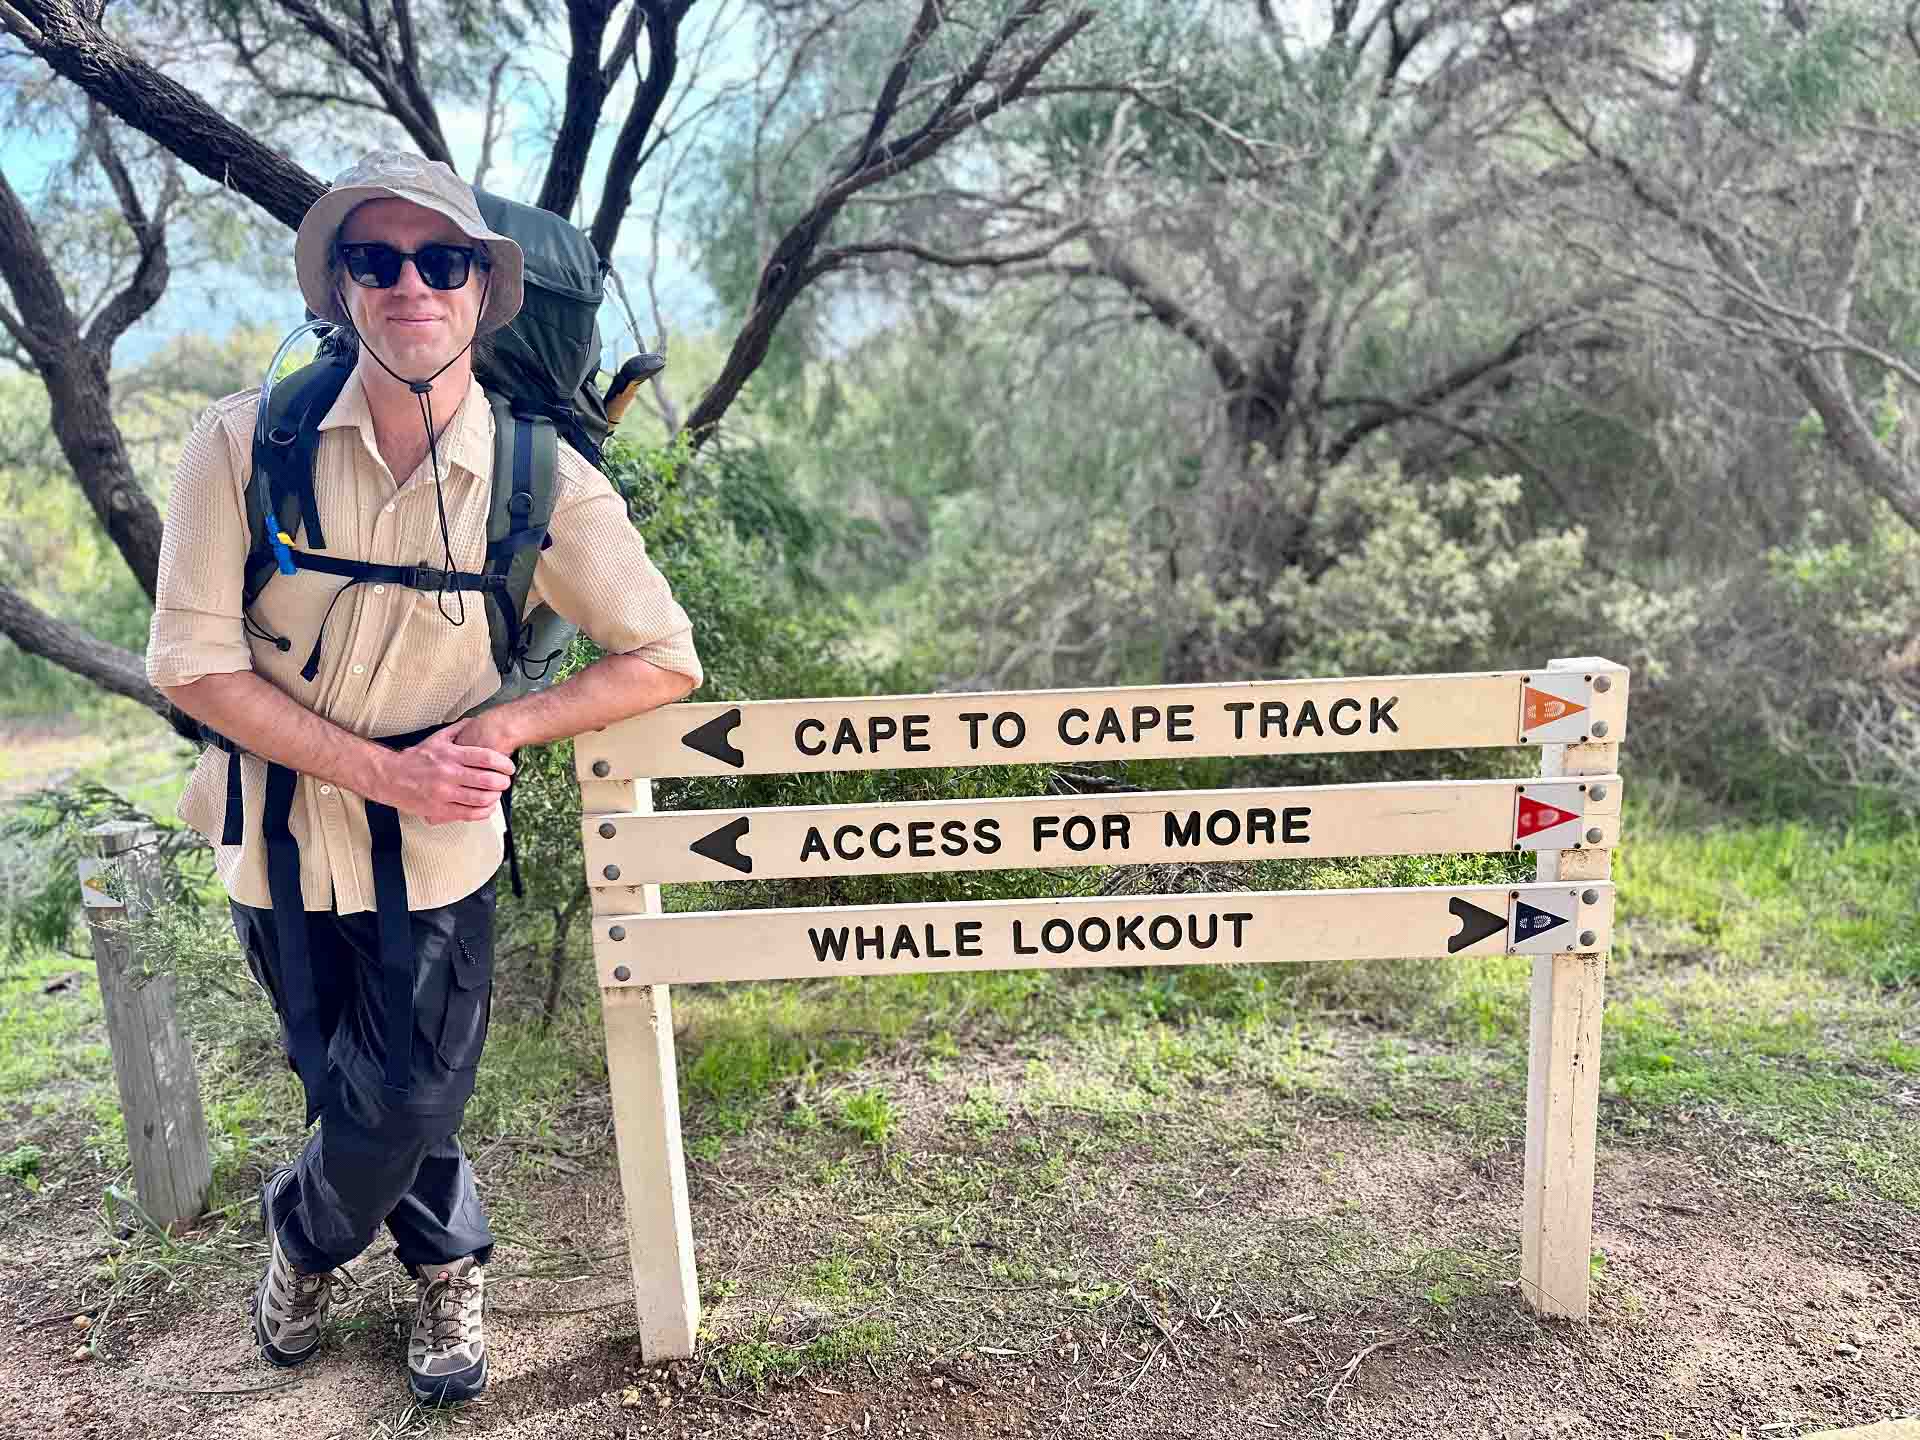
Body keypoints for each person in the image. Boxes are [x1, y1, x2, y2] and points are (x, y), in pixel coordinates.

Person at [146, 151, 703, 1405]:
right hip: (275, 844)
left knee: (405, 1089)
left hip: (442, 853)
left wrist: (506, 733)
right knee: (346, 1079)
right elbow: (189, 664)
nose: (409, 284)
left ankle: (307, 1237)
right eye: (375, 260)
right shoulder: (241, 446)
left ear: (481, 291)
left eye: (439, 260)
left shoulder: (537, 477)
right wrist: (373, 773)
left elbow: (661, 656)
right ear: (340, 287)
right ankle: (443, 1267)